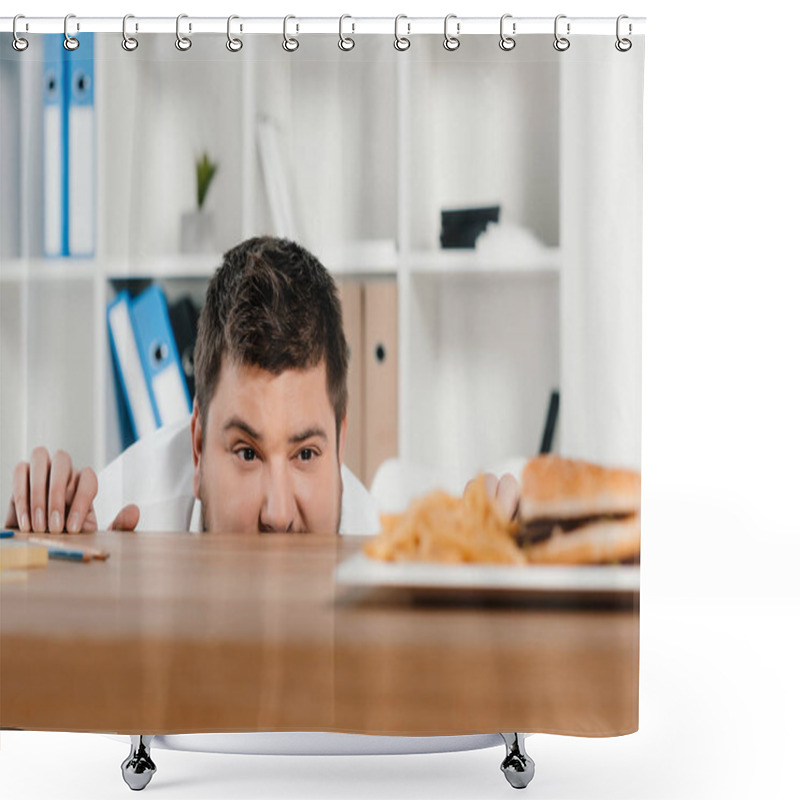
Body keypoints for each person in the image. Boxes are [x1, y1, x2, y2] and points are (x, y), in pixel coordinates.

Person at [4, 235, 520, 536]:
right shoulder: (114, 517)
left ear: (340, 445)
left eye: (306, 454)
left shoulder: (369, 551)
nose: (276, 515)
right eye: (247, 453)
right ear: (200, 446)